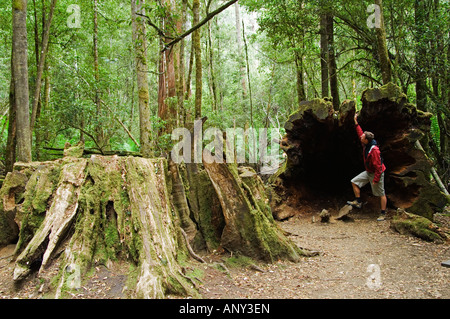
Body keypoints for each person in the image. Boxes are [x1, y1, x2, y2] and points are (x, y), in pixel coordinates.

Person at [347, 113, 388, 221]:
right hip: (369, 171)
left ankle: (383, 214)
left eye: (363, 137)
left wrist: (376, 179)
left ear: (366, 140)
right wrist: (355, 121)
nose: (361, 137)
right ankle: (358, 201)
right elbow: (360, 132)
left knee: (381, 193)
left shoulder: (374, 150)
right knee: (354, 182)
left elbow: (378, 166)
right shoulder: (366, 144)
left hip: (376, 173)